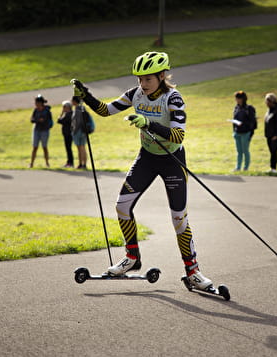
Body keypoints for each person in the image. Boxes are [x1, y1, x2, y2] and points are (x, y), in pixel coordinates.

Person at [71, 51, 213, 290]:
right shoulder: (136, 94)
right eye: (140, 79)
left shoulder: (173, 99)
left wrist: (149, 123)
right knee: (122, 206)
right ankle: (132, 257)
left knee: (179, 218)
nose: (142, 84)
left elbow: (178, 135)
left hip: (172, 160)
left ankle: (193, 272)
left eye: (148, 79)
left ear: (161, 76)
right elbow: (106, 110)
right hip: (147, 158)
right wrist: (87, 96)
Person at [231, 91, 256, 171]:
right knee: (239, 151)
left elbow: (252, 121)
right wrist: (234, 130)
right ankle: (238, 167)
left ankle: (246, 167)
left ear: (243, 99)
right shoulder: (236, 108)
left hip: (245, 133)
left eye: (238, 98)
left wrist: (249, 130)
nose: (237, 100)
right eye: (236, 98)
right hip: (237, 132)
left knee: (245, 150)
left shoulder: (249, 109)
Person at [29, 94, 53, 168]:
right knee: (35, 147)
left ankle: (47, 163)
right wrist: (37, 120)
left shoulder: (47, 111)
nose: (36, 104)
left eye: (37, 102)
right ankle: (31, 163)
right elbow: (32, 119)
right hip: (36, 130)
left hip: (45, 130)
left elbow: (50, 121)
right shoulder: (35, 110)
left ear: (40, 103)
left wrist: (44, 121)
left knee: (44, 147)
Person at [264, 93, 277, 173]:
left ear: (272, 102)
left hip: (276, 135)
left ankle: (273, 168)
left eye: (268, 102)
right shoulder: (269, 110)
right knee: (271, 151)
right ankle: (272, 168)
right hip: (269, 134)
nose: (266, 103)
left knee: (274, 150)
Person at [71, 96, 88, 169]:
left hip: (78, 131)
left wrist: (74, 131)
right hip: (84, 131)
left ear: (75, 101)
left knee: (80, 148)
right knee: (83, 147)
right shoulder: (83, 109)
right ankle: (84, 164)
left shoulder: (77, 110)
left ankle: (81, 164)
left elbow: (77, 122)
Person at [57, 100, 74, 168]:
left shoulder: (68, 114)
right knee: (68, 148)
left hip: (68, 134)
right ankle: (69, 162)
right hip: (67, 133)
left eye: (64, 107)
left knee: (68, 148)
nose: (63, 108)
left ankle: (70, 162)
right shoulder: (70, 114)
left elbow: (59, 121)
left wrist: (61, 114)